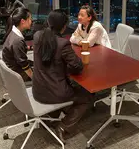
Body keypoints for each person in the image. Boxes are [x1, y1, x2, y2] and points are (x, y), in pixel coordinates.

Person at [32, 9, 93, 143]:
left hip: (37, 90)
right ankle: (63, 126)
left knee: (68, 87)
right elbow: (78, 66)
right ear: (64, 26)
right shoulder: (63, 43)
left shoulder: (37, 36)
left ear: (48, 22)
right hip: (55, 93)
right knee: (87, 96)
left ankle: (51, 116)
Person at [2, 7, 33, 81]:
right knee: (45, 73)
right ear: (23, 21)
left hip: (13, 69)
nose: (31, 21)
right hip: (17, 74)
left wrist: (31, 47)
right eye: (30, 19)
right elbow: (24, 64)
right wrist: (34, 78)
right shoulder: (17, 40)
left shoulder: (13, 32)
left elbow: (18, 50)